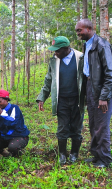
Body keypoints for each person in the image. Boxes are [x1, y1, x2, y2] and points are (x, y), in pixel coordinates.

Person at [75, 19, 112, 168]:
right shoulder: (87, 45)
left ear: (89, 29)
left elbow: (110, 73)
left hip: (103, 89)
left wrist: (104, 97)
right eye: (77, 30)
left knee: (102, 124)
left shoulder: (102, 45)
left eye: (79, 30)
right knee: (93, 123)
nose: (77, 33)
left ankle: (106, 159)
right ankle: (97, 155)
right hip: (91, 86)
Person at [36, 36, 85, 165]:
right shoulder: (54, 61)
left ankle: (74, 153)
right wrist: (42, 97)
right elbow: (48, 80)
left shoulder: (80, 58)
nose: (55, 53)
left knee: (76, 128)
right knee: (62, 128)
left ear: (66, 48)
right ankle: (62, 154)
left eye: (57, 50)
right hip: (61, 100)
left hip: (77, 100)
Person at [0, 89, 30, 157]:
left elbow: (14, 123)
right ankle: (5, 154)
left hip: (18, 136)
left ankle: (17, 155)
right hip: (4, 137)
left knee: (13, 147)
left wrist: (2, 113)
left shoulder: (14, 108)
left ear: (6, 99)